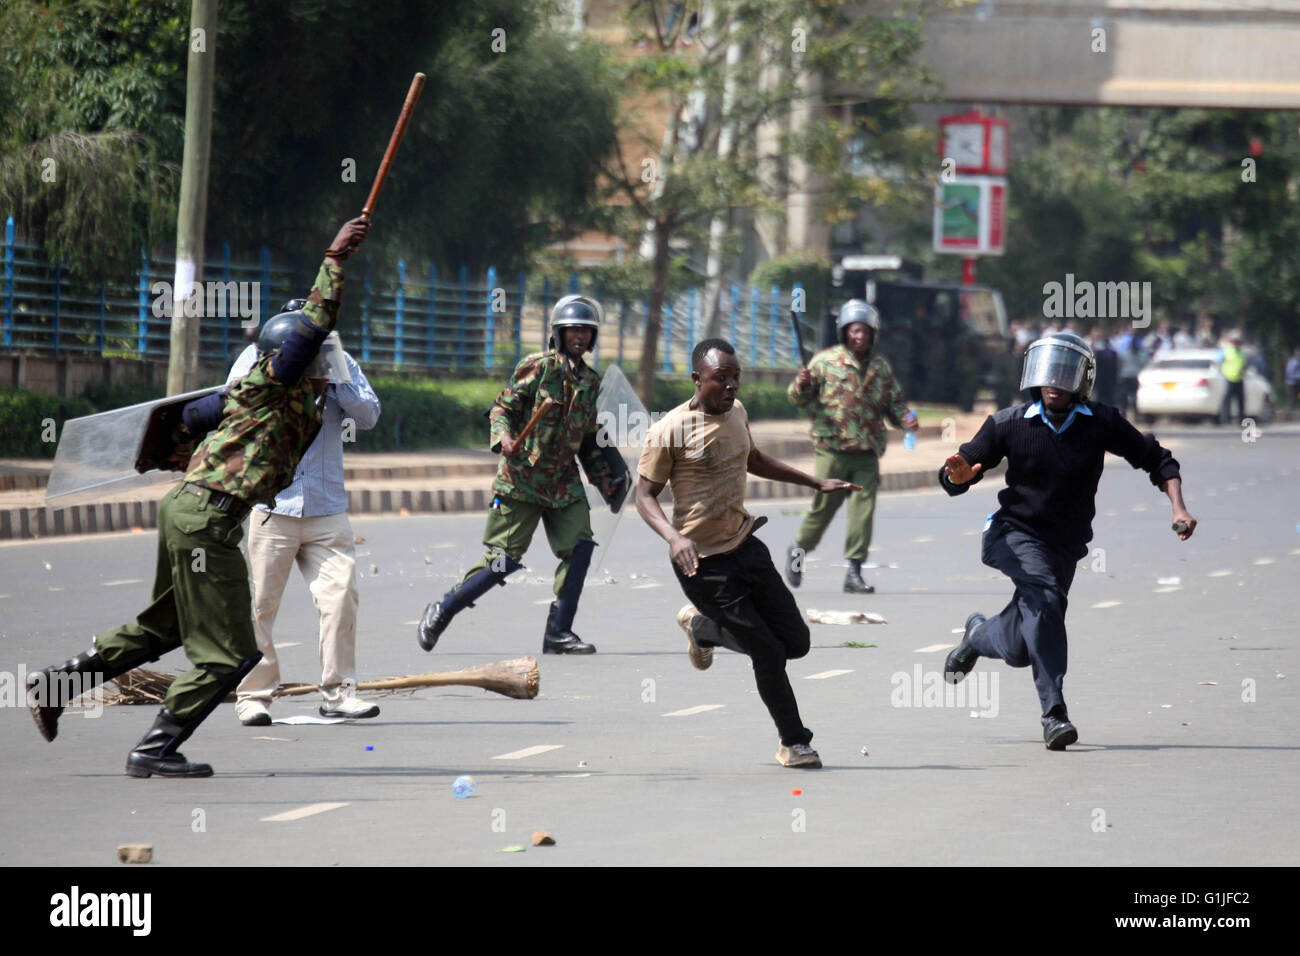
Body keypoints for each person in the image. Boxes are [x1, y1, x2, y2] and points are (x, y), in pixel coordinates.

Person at [27, 216, 370, 776]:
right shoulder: (275, 378)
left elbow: (188, 414)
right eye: (315, 363)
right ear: (290, 361)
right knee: (233, 654)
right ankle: (156, 749)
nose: (322, 371)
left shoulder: (273, 396)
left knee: (164, 628)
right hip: (207, 519)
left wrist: (193, 451)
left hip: (190, 509)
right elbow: (312, 325)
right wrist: (334, 261)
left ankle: (55, 686)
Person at [939, 332, 1195, 750]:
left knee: (1024, 644)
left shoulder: (1101, 423)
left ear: (1082, 379)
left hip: (1065, 546)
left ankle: (977, 636)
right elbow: (959, 469)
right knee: (1044, 599)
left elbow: (1158, 459)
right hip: (1011, 534)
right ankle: (1054, 713)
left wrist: (1178, 508)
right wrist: (956, 477)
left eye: (1063, 372)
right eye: (1046, 372)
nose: (1053, 381)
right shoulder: (1008, 422)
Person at [636, 338, 860, 769]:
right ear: (697, 379)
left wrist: (815, 483)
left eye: (735, 376)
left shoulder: (737, 414)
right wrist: (673, 537)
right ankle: (793, 742)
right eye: (721, 377)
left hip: (745, 545)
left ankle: (702, 630)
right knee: (768, 652)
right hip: (701, 563)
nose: (732, 385)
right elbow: (644, 496)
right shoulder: (669, 431)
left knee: (796, 642)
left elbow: (752, 458)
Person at [417, 295, 617, 655]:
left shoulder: (590, 380)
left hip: (562, 482)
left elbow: (588, 435)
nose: (580, 337)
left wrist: (603, 475)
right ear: (558, 333)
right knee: (501, 561)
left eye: (586, 331)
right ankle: (443, 610)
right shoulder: (537, 366)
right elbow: (501, 408)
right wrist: (503, 438)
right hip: (521, 479)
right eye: (573, 330)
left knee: (581, 548)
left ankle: (559, 632)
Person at [227, 303, 382, 726]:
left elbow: (368, 415)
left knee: (341, 598)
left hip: (326, 507)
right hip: (271, 505)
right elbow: (232, 408)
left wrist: (334, 380)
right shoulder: (257, 356)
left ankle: (339, 692)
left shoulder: (339, 360)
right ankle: (253, 695)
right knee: (260, 605)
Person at [785, 299, 917, 593]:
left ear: (873, 334)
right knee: (823, 508)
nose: (860, 336)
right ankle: (799, 550)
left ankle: (854, 573)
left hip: (866, 453)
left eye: (865, 332)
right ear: (844, 332)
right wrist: (801, 383)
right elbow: (797, 399)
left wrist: (906, 419)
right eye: (854, 331)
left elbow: (894, 405)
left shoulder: (881, 368)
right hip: (831, 449)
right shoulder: (824, 362)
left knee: (862, 512)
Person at [1218, 330, 1247, 425]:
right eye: (1235, 341)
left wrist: (1244, 369)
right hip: (1229, 378)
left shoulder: (1242, 352)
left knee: (1241, 400)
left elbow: (1244, 363)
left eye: (1238, 341)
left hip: (1239, 378)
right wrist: (1221, 371)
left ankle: (1241, 420)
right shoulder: (1226, 351)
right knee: (1227, 400)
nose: (1237, 343)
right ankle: (1225, 419)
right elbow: (1217, 361)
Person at [1285, 346, 1300, 412]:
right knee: (1291, 396)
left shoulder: (1297, 361)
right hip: (1292, 382)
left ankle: (1294, 407)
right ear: (1294, 353)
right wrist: (1295, 377)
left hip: (1296, 382)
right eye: (1297, 353)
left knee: (1297, 394)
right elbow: (1290, 372)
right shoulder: (1292, 362)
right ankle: (1290, 410)